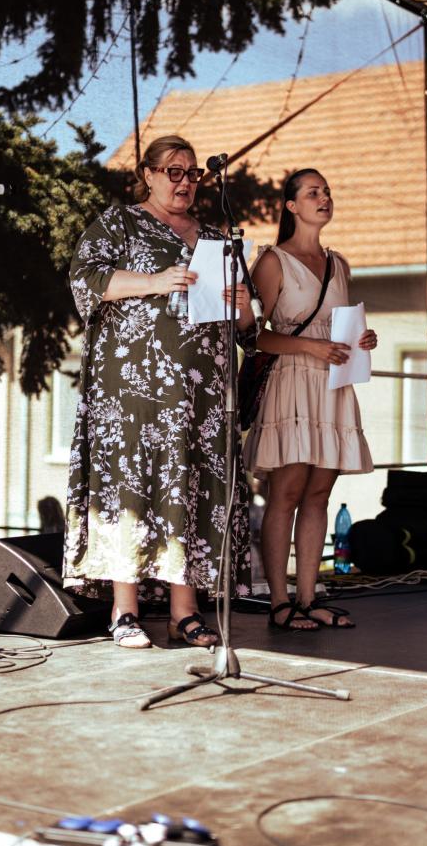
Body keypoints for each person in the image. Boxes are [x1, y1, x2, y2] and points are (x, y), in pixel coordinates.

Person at [63, 134, 254, 649]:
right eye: (174, 170)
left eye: (192, 173)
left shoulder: (215, 238)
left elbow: (248, 329)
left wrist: (242, 305)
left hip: (201, 399)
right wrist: (156, 280)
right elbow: (87, 280)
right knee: (131, 487)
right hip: (133, 390)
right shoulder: (119, 223)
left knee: (189, 488)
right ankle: (124, 612)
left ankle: (184, 613)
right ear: (147, 175)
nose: (185, 181)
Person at [243, 168, 377, 631]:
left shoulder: (339, 264)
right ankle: (279, 602)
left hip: (333, 383)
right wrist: (310, 347)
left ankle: (308, 596)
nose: (324, 198)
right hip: (292, 379)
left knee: (320, 493)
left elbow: (338, 326)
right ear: (292, 206)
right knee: (286, 492)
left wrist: (363, 339)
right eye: (313, 192)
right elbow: (254, 336)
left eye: (327, 192)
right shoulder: (272, 261)